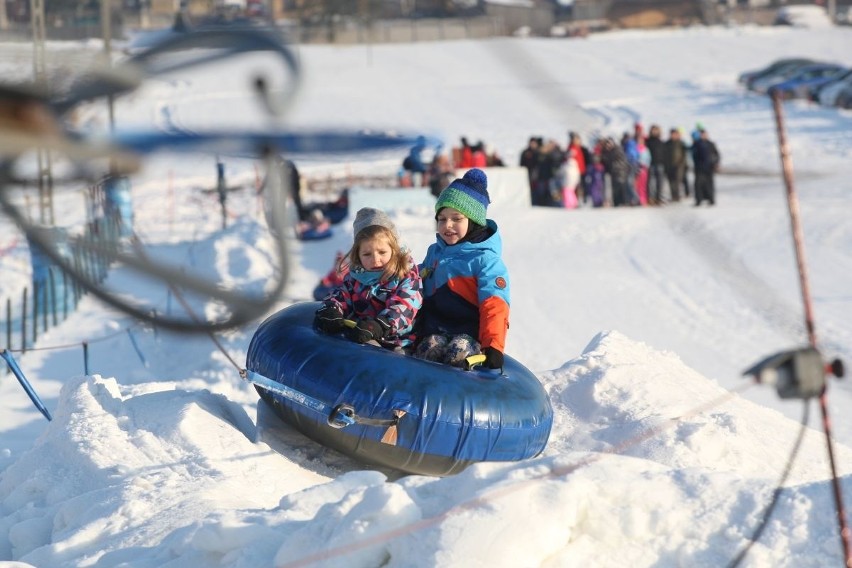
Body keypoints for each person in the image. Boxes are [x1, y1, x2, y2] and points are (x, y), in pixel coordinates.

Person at [413, 168, 510, 369]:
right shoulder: (435, 252)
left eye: (456, 219)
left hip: (468, 333)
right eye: (442, 219)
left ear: (473, 222)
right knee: (429, 348)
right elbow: (415, 280)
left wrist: (493, 346)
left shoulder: (485, 260)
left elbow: (495, 304)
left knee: (459, 351)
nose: (448, 225)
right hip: (433, 330)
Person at [313, 208, 422, 350]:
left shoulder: (406, 276)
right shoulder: (356, 278)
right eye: (367, 254)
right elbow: (341, 295)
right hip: (362, 337)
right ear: (358, 255)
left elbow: (405, 306)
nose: (375, 260)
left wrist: (381, 324)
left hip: (398, 343)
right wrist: (331, 308)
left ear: (394, 250)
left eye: (382, 252)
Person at [691, 128, 720, 206]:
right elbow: (693, 155)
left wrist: (716, 163)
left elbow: (716, 154)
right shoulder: (696, 144)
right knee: (698, 185)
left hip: (709, 167)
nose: (704, 136)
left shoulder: (710, 144)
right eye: (702, 134)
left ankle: (711, 199)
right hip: (699, 168)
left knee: (709, 184)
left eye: (705, 134)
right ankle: (698, 200)